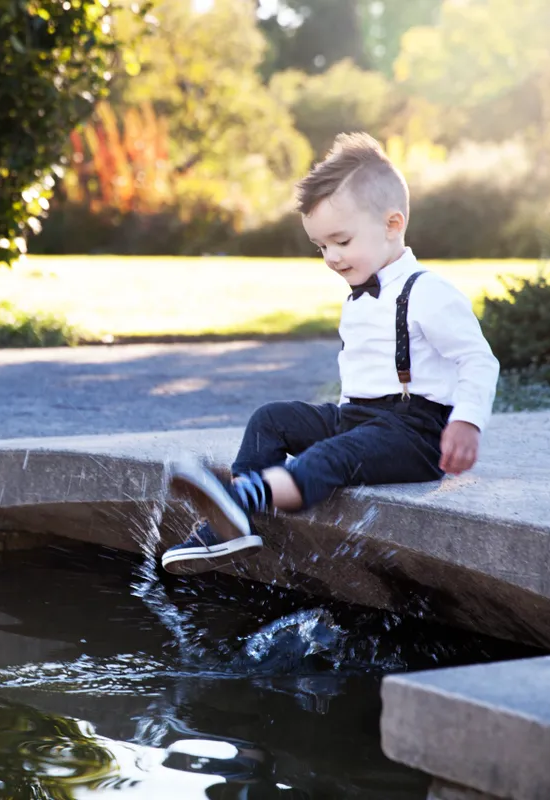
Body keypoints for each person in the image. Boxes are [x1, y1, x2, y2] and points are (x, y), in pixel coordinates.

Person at [160, 132, 500, 576]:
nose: (331, 258)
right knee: (271, 418)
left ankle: (241, 498)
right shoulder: (359, 294)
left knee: (328, 458)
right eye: (321, 247)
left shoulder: (428, 292)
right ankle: (233, 524)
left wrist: (467, 420)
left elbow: (478, 359)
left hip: (412, 434)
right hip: (357, 418)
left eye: (341, 241)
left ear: (392, 225)